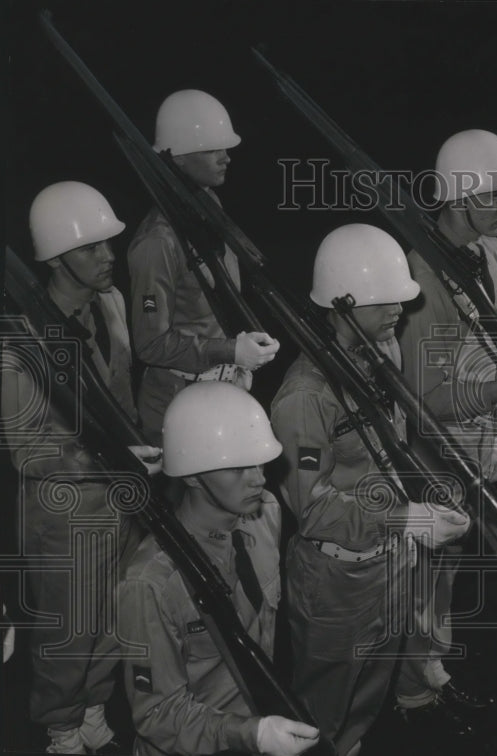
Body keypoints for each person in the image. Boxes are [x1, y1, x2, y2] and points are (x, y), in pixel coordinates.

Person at [270, 224, 471, 756]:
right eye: (383, 302)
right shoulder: (305, 398)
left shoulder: (380, 362)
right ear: (342, 305)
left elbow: (391, 455)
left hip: (389, 564)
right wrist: (405, 518)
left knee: (366, 700)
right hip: (337, 579)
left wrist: (422, 504)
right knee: (322, 712)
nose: (398, 313)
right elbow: (311, 510)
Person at [394, 128, 497, 726]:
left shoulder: (491, 252)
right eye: (495, 196)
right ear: (457, 197)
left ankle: (430, 662)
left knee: (453, 559)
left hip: (476, 433)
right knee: (424, 567)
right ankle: (414, 688)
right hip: (434, 447)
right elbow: (424, 400)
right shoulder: (419, 278)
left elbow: (492, 339)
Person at [1, 181, 158, 754]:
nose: (107, 256)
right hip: (62, 509)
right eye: (91, 248)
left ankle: (92, 708)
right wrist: (107, 459)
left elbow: (122, 392)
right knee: (68, 630)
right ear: (55, 257)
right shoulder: (19, 343)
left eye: (108, 244)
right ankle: (61, 728)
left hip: (122, 495)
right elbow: (28, 451)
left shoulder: (111, 304)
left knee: (115, 613)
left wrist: (141, 451)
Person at [117, 381, 319, 756]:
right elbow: (157, 714)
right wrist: (250, 734)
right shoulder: (150, 583)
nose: (258, 478)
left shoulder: (265, 514)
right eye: (238, 468)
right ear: (192, 476)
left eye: (258, 462)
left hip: (263, 721)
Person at [128, 89, 279, 445]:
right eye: (213, 149)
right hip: (178, 404)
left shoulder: (208, 206)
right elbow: (150, 343)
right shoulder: (157, 242)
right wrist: (228, 350)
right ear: (176, 158)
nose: (226, 157)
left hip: (223, 390)